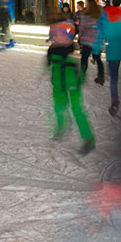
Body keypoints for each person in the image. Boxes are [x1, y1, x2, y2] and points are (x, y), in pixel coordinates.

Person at [46, 10, 93, 152]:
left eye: (59, 34)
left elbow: (77, 66)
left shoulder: (70, 49)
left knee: (77, 110)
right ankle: (61, 127)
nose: (55, 36)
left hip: (71, 82)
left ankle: (88, 138)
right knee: (59, 107)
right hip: (58, 82)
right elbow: (50, 63)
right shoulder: (53, 49)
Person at [95, 3, 121, 117]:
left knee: (114, 79)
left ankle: (115, 101)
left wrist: (96, 52)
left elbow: (99, 38)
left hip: (113, 53)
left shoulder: (103, 22)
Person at [77, 0, 106, 85]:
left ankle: (82, 76)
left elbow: (82, 28)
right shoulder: (100, 16)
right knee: (98, 59)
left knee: (84, 59)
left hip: (87, 41)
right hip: (97, 41)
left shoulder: (86, 16)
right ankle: (101, 76)